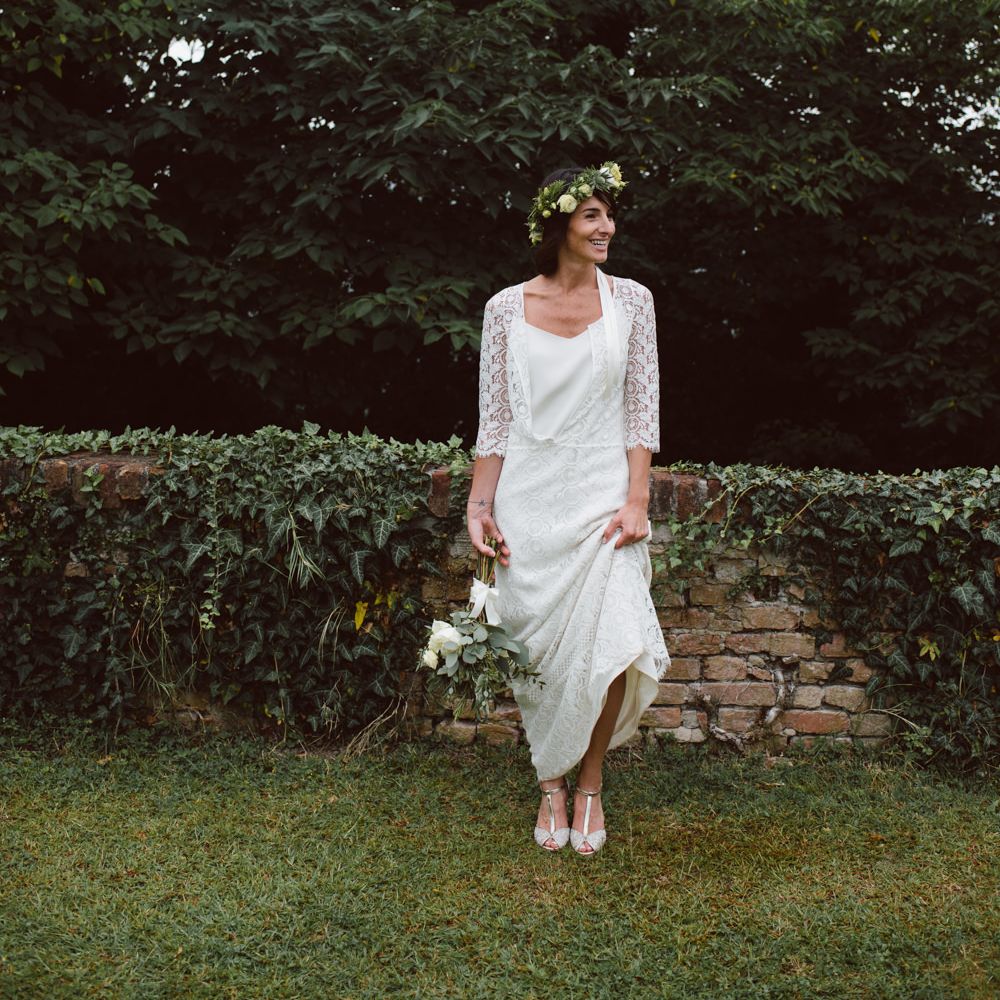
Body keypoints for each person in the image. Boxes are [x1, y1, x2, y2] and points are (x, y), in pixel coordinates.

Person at [466, 161, 670, 856]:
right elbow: (494, 421)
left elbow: (642, 409)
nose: (607, 226)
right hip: (529, 497)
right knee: (539, 654)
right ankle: (548, 783)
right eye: (591, 215)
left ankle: (589, 784)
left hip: (604, 499)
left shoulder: (634, 302)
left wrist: (638, 497)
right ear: (558, 225)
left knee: (610, 648)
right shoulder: (503, 309)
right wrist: (479, 505)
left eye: (609, 213)